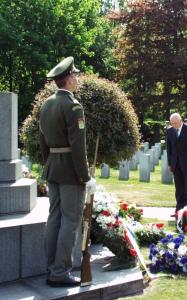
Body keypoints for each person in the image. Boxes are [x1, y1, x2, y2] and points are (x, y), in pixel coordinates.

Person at [39, 56, 96, 287]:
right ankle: (60, 273)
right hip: (71, 173)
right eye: (76, 75)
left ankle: (52, 267)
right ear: (69, 78)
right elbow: (77, 147)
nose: (78, 78)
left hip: (53, 169)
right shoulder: (73, 106)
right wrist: (86, 177)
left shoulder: (47, 104)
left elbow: (43, 143)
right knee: (70, 221)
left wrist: (49, 165)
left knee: (54, 219)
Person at [166, 113, 187, 215]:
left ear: (180, 120)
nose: (174, 125)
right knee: (178, 188)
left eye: (175, 123)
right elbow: (169, 148)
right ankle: (178, 210)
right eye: (172, 123)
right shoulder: (170, 131)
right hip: (175, 164)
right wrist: (170, 164)